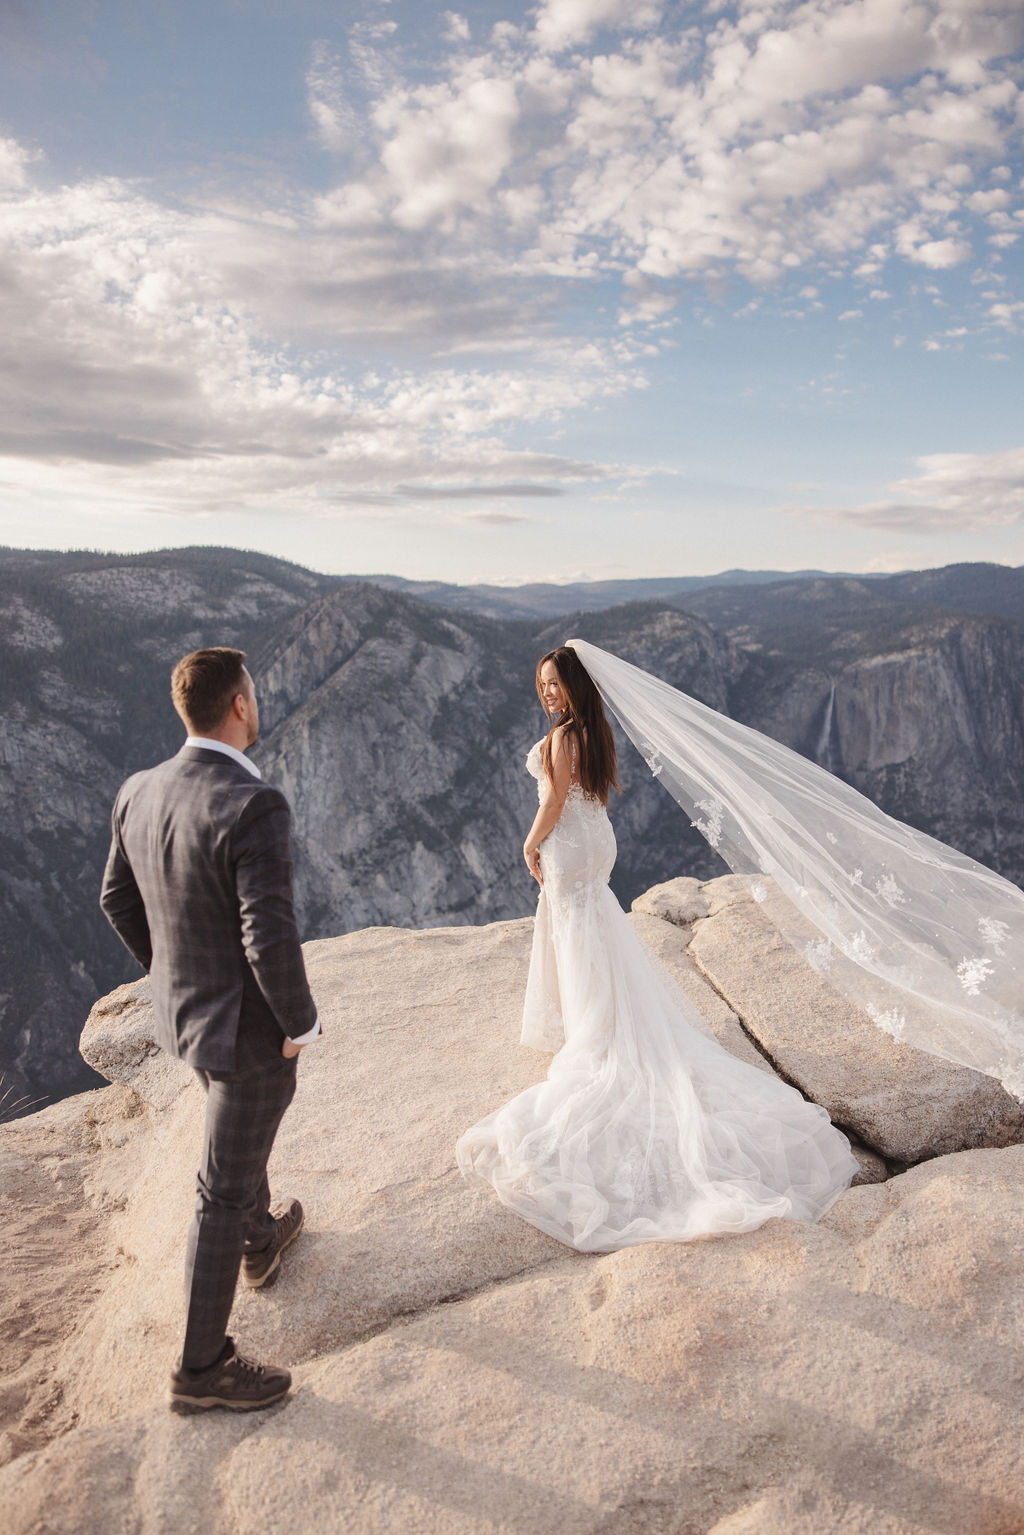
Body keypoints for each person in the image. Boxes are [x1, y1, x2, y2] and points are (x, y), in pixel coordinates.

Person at [456, 645, 860, 1252]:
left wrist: (529, 844)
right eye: (540, 684)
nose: (546, 693)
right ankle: (602, 1012)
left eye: (554, 683)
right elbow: (588, 796)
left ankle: (591, 1023)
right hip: (596, 843)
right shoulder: (593, 731)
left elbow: (554, 798)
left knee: (575, 929)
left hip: (569, 843)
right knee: (596, 926)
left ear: (574, 686)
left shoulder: (564, 738)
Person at [100, 647, 321, 1413]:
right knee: (217, 1189)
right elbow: (268, 936)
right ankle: (202, 1367)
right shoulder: (253, 802)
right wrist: (300, 1021)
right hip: (248, 1035)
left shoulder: (139, 789)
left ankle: (262, 1239)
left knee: (238, 1142)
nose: (257, 705)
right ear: (238, 705)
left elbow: (115, 899)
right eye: (254, 695)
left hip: (186, 1016)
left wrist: (171, 974)